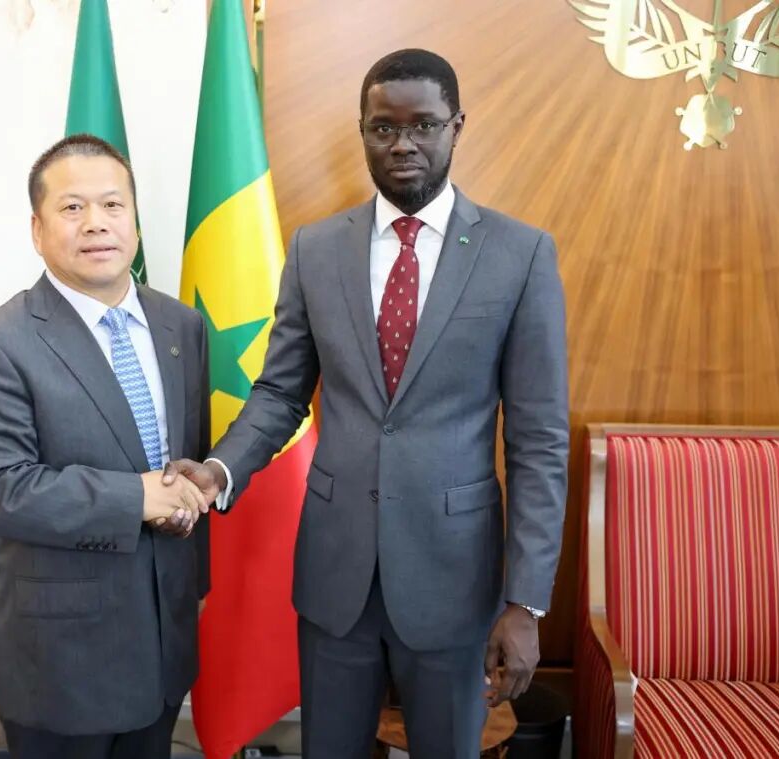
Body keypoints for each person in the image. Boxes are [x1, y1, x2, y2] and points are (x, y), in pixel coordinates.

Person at [169, 49, 569, 757]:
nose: (403, 144)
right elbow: (280, 391)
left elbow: (537, 440)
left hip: (454, 575)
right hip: (336, 571)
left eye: (423, 125)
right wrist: (220, 470)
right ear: (363, 131)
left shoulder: (520, 254)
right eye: (384, 128)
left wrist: (526, 600)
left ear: (456, 127)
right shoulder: (316, 249)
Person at [0, 133, 211, 758]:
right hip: (63, 659)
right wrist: (135, 498)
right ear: (37, 230)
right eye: (72, 208)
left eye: (113, 205)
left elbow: (183, 457)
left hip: (165, 636)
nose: (96, 222)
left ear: (135, 223)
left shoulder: (181, 324)